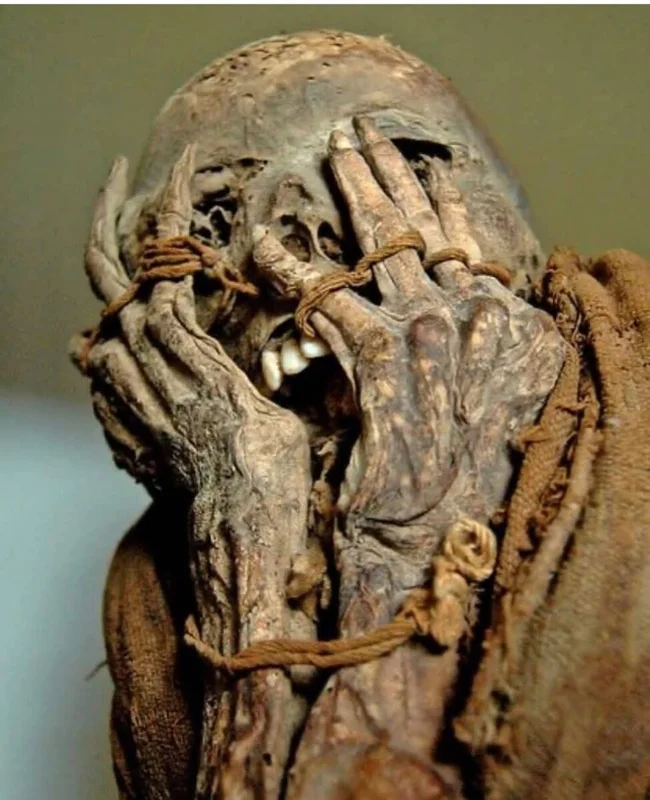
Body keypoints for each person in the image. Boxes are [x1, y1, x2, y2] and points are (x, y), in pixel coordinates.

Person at [72, 31, 650, 800]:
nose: (282, 243)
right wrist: (247, 527)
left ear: (527, 247)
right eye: (209, 222)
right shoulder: (157, 604)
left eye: (400, 169)